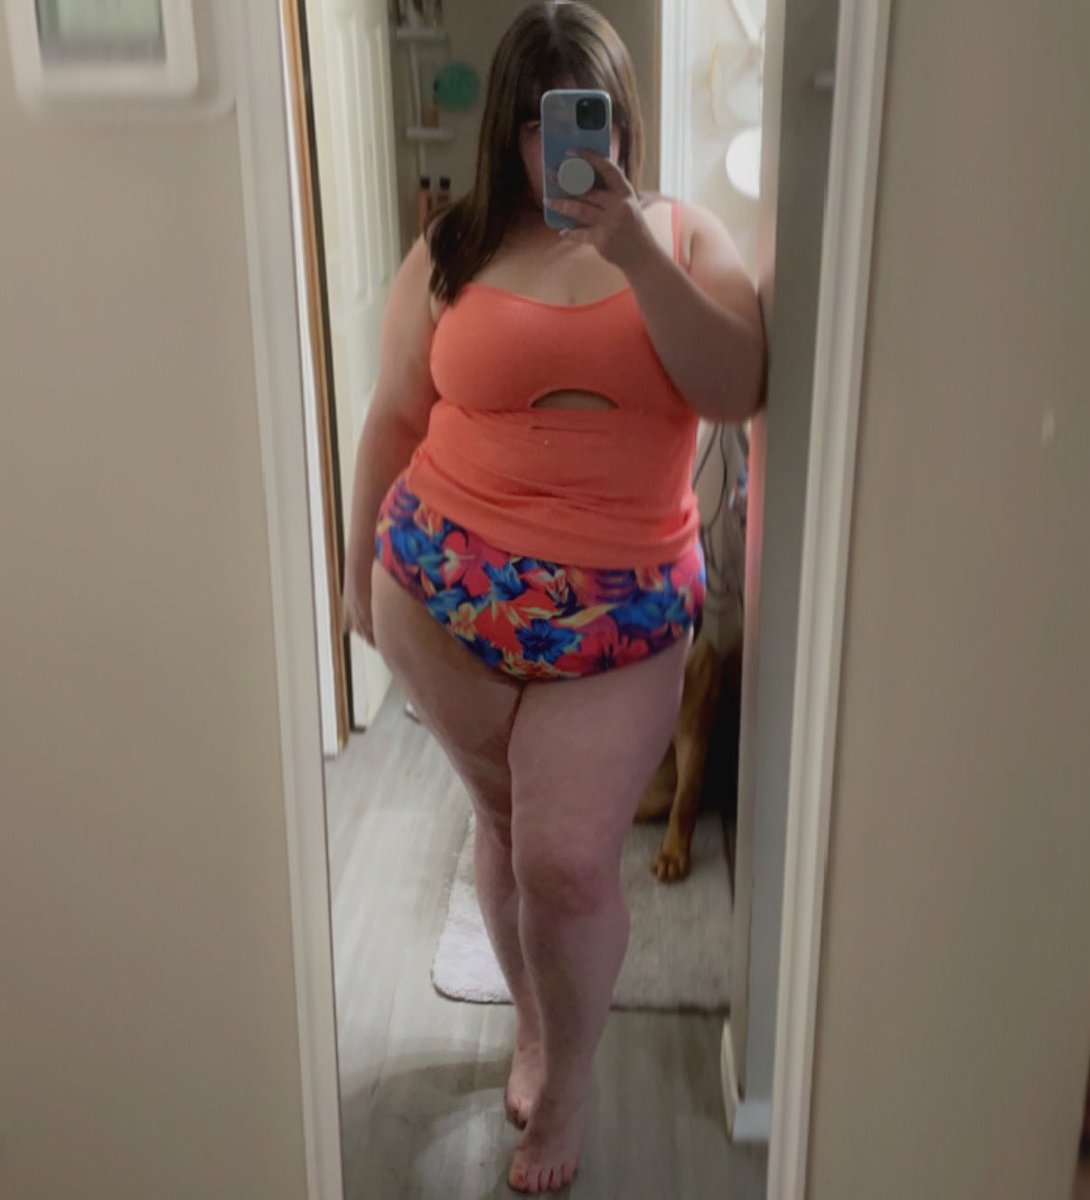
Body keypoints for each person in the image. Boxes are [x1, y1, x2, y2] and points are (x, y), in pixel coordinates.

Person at [341, 1, 765, 1192]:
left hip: (619, 617)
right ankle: (533, 1026)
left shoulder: (681, 238)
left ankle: (568, 1077)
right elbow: (392, 416)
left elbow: (734, 387)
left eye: (586, 113)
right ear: (507, 132)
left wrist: (632, 253)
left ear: (621, 118)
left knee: (567, 862)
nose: (562, 144)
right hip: (440, 594)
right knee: (507, 832)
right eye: (537, 122)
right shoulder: (454, 248)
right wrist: (350, 577)